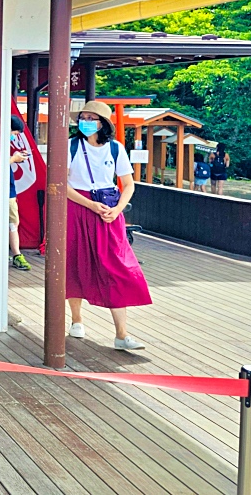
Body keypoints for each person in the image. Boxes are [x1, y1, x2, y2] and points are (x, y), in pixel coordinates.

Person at [66, 100, 151, 350]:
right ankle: (76, 319)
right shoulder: (70, 146)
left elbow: (129, 184)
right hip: (79, 207)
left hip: (110, 210)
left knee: (117, 266)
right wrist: (90, 205)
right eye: (84, 116)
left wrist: (118, 209)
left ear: (103, 123)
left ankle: (121, 334)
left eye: (92, 117)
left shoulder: (115, 149)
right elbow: (61, 183)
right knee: (75, 261)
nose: (87, 121)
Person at [8, 115, 32, 270]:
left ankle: (16, 254)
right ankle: (15, 254)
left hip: (9, 189)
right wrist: (13, 159)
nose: (14, 137)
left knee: (13, 223)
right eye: (15, 133)